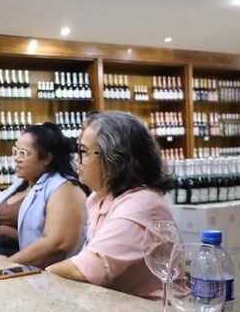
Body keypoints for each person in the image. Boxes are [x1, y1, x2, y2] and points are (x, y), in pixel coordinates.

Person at [46, 111, 175, 300]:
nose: (76, 159)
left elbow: (86, 269)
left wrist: (43, 276)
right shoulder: (102, 196)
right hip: (120, 306)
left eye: (83, 151)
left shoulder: (141, 204)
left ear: (114, 158)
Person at [0, 122, 87, 269]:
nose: (16, 158)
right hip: (2, 268)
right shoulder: (17, 186)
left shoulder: (65, 188)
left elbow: (57, 243)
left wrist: (8, 265)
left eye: (23, 153)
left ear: (47, 158)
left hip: (34, 273)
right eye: (15, 151)